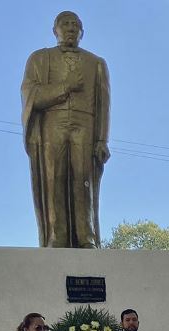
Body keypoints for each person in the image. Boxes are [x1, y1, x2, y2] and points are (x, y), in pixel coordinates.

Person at [21, 10, 111, 248]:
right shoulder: (39, 59)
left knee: (84, 180)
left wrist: (102, 139)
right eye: (65, 24)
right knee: (54, 178)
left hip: (86, 124)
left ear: (82, 32)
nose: (70, 28)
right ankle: (56, 237)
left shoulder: (96, 63)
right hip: (52, 122)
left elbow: (104, 104)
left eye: (75, 24)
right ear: (55, 30)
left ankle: (86, 238)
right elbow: (31, 96)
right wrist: (65, 86)